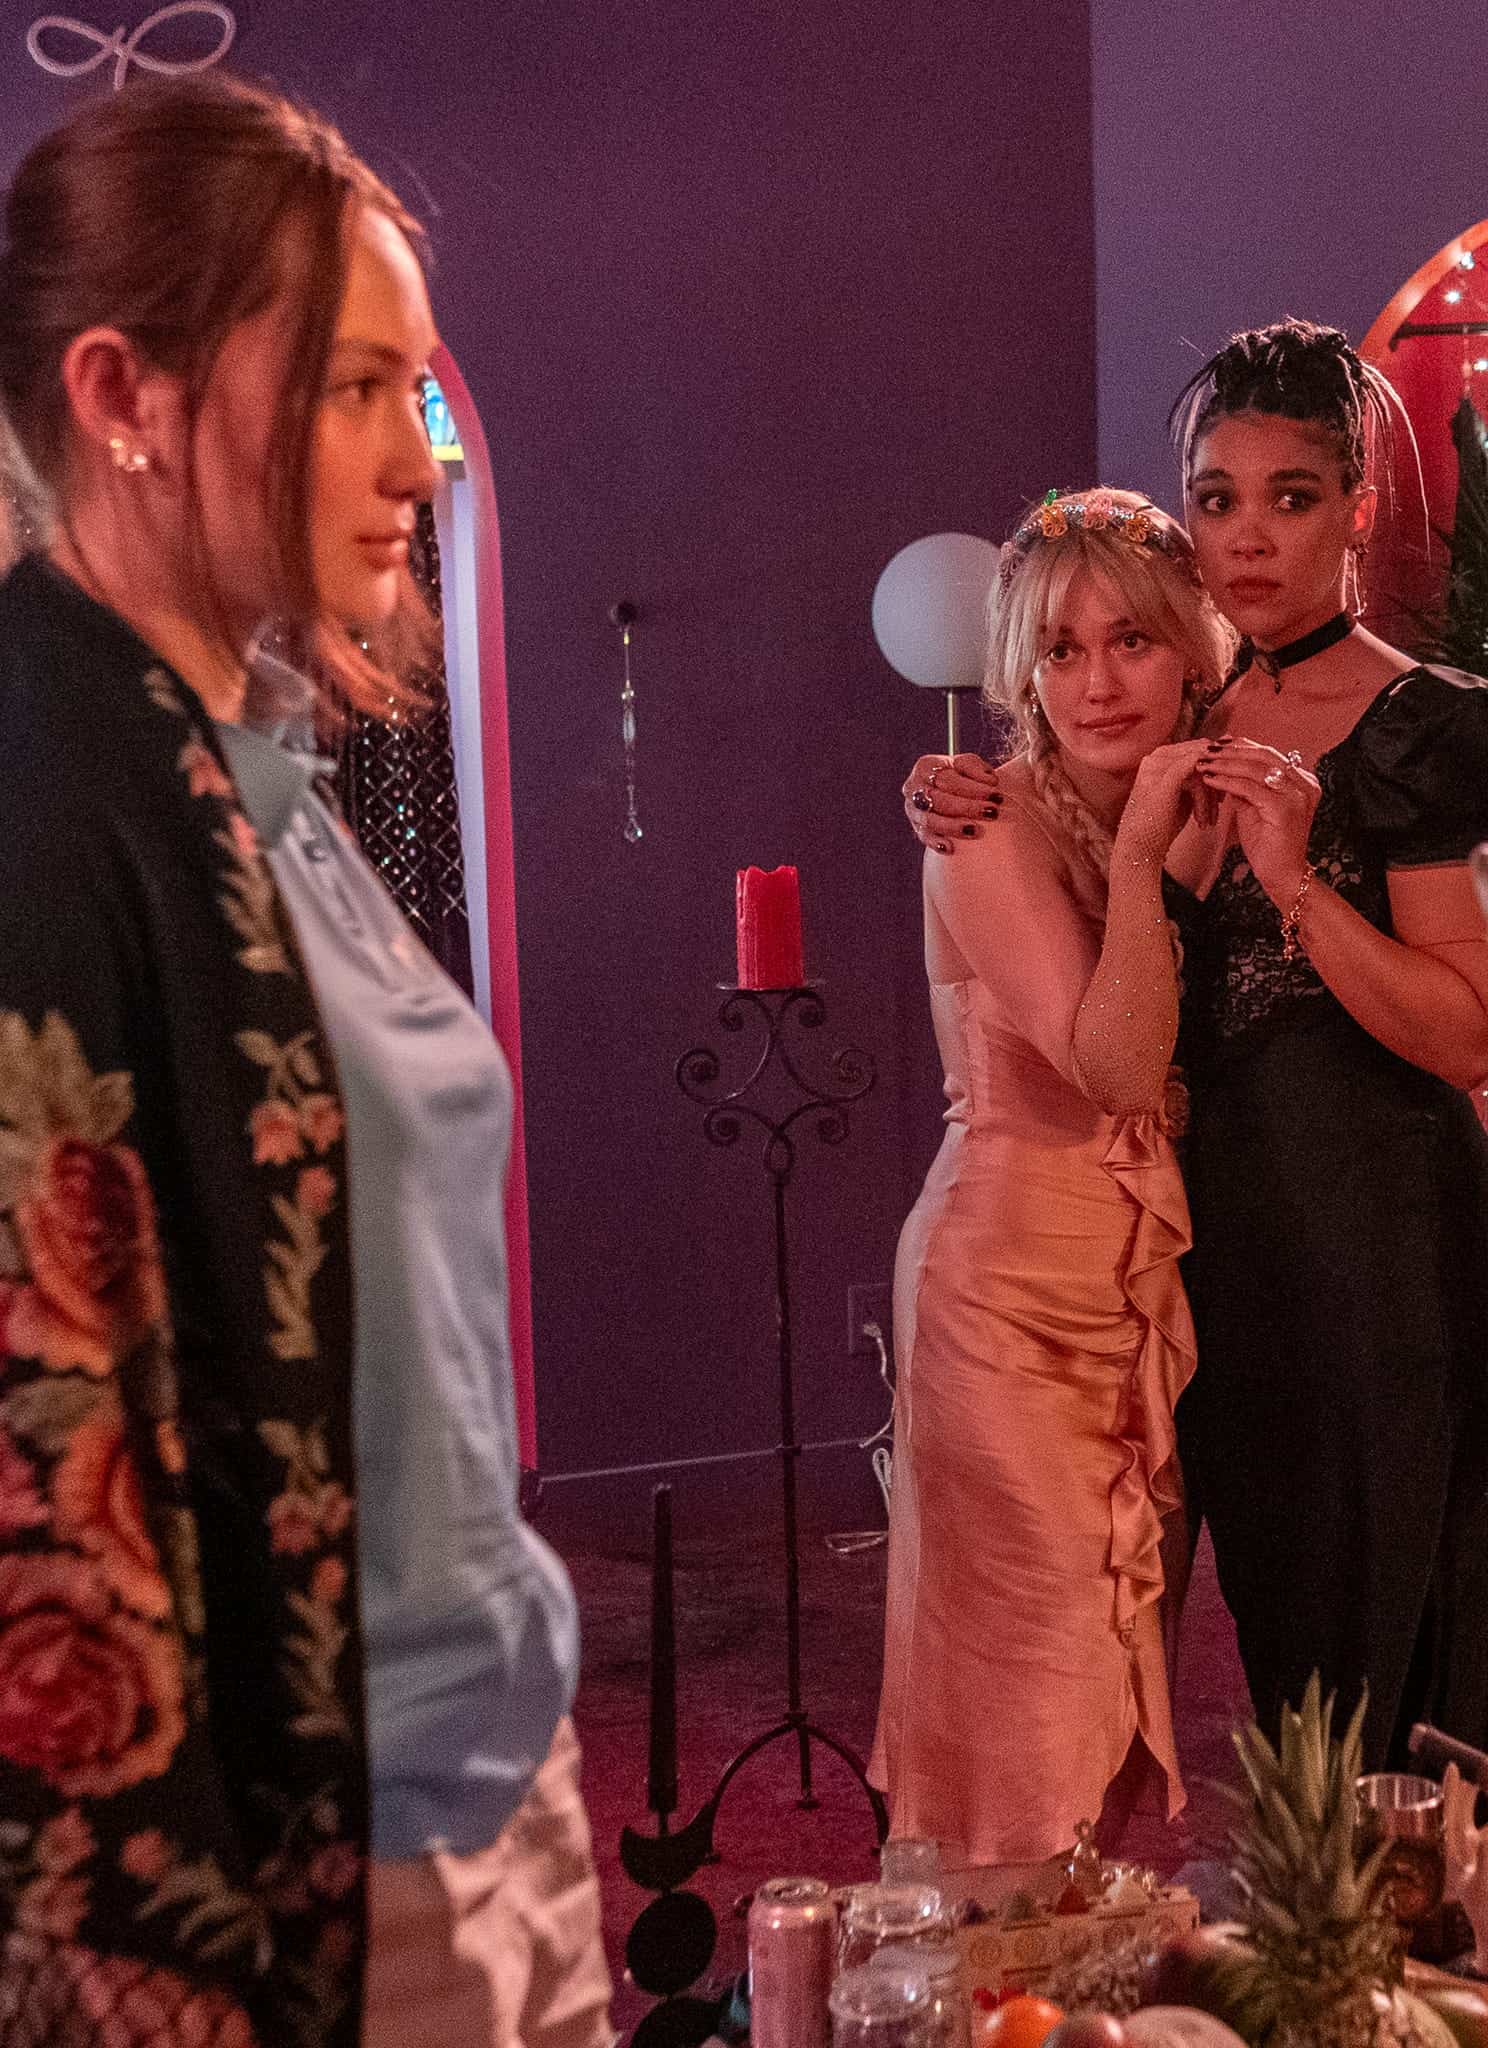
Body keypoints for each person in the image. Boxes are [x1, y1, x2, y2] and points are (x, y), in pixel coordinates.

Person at [0, 74, 611, 2048]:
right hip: (311, 1856)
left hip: (495, 1777)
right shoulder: (53, 811)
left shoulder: (261, 762)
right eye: (355, 387)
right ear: (122, 394)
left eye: (417, 392)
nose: (420, 460)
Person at [901, 321, 1488, 1770]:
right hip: (1211, 1265)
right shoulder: (1170, 702)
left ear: (1358, 510)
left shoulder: (1414, 724)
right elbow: (1065, 819)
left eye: (1293, 496)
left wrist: (1296, 884)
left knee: (1406, 1658)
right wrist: (958, 785)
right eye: (1215, 498)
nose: (1248, 537)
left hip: (1384, 1258)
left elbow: (1466, 1032)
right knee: (1282, 1653)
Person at [869, 489, 1232, 1868]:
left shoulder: (1196, 785)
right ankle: (980, 1973)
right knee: (1029, 1693)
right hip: (1007, 1299)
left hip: (1126, 1299)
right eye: (1062, 648)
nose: (1097, 680)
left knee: (1117, 1682)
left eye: (1131, 641)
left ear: (1189, 651)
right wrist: (1141, 859)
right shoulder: (981, 825)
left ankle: (1063, 1978)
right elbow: (1119, 1071)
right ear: (1018, 667)